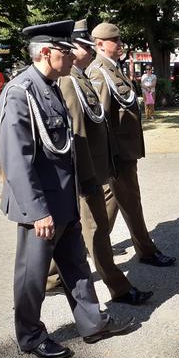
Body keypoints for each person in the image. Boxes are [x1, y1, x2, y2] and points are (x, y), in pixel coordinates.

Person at [0, 20, 133, 358]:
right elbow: (16, 160)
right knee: (32, 276)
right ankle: (29, 335)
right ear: (46, 52)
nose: (73, 57)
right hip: (42, 207)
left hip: (65, 200)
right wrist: (37, 210)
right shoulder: (20, 92)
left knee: (76, 266)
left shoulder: (51, 86)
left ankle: (92, 324)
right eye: (66, 51)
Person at [45, 20, 153, 305]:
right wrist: (91, 172)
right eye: (82, 47)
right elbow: (78, 131)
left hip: (97, 165)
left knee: (82, 228)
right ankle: (118, 288)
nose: (84, 51)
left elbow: (98, 123)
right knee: (95, 231)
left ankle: (51, 277)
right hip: (88, 169)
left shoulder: (79, 76)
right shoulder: (70, 80)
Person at [87, 22, 176, 267]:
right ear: (99, 44)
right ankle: (146, 252)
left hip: (123, 152)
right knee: (131, 203)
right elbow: (100, 119)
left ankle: (85, 247)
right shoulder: (99, 72)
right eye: (114, 40)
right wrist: (108, 157)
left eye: (119, 39)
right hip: (118, 155)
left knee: (111, 204)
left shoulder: (113, 69)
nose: (120, 44)